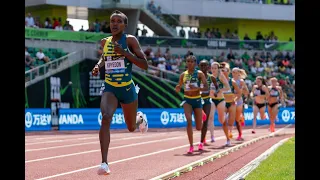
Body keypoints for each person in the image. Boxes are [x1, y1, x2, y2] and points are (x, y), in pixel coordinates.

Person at [91, 10, 148, 175]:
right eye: (112, 21)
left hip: (127, 89)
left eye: (118, 21)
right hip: (110, 87)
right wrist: (98, 66)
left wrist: (125, 53)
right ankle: (104, 163)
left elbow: (144, 65)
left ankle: (139, 118)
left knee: (130, 128)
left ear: (124, 25)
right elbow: (104, 58)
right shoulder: (105, 42)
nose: (114, 24)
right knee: (106, 117)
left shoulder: (130, 40)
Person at [175, 55, 208, 154]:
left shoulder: (199, 74)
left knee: (199, 127)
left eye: (191, 61)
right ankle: (191, 146)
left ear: (195, 63)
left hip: (197, 100)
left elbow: (206, 87)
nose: (189, 63)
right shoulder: (183, 75)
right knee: (189, 121)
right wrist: (177, 88)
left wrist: (196, 88)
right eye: (187, 61)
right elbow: (179, 86)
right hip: (187, 100)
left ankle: (201, 114)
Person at [207, 62, 231, 145]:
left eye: (215, 68)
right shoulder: (209, 77)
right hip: (212, 99)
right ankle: (212, 136)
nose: (213, 70)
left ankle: (228, 138)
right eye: (212, 68)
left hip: (220, 100)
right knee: (210, 117)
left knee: (221, 120)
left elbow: (228, 87)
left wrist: (220, 90)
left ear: (218, 69)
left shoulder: (221, 76)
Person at [220, 62, 241, 146]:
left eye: (224, 70)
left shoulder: (232, 82)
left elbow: (239, 93)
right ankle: (227, 139)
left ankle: (230, 132)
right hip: (223, 103)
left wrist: (235, 100)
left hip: (232, 104)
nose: (223, 72)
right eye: (221, 71)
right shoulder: (219, 82)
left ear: (228, 72)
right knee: (224, 121)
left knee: (231, 122)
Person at [231, 67, 249, 141]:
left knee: (237, 119)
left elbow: (246, 91)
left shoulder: (240, 81)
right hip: (231, 100)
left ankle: (239, 134)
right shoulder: (230, 80)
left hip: (238, 101)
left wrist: (244, 92)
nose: (234, 73)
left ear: (239, 73)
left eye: (235, 72)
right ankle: (230, 132)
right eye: (233, 72)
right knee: (230, 117)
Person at [198, 60, 212, 150]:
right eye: (201, 65)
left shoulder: (211, 78)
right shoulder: (196, 77)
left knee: (205, 121)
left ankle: (201, 142)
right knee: (199, 122)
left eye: (205, 65)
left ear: (208, 67)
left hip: (207, 101)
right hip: (197, 100)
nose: (203, 67)